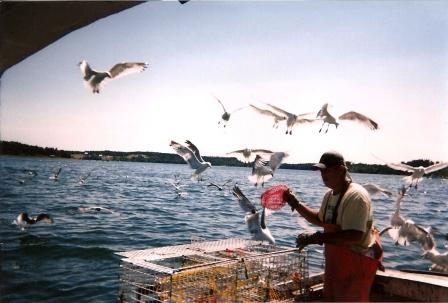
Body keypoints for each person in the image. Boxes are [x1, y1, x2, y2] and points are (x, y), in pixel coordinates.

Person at [283, 151, 383, 302]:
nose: (323, 174)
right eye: (321, 171)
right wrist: (296, 203)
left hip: (356, 264)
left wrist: (317, 238)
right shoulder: (330, 195)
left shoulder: (356, 196)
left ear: (341, 170)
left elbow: (355, 236)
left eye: (327, 170)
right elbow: (320, 219)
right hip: (336, 266)